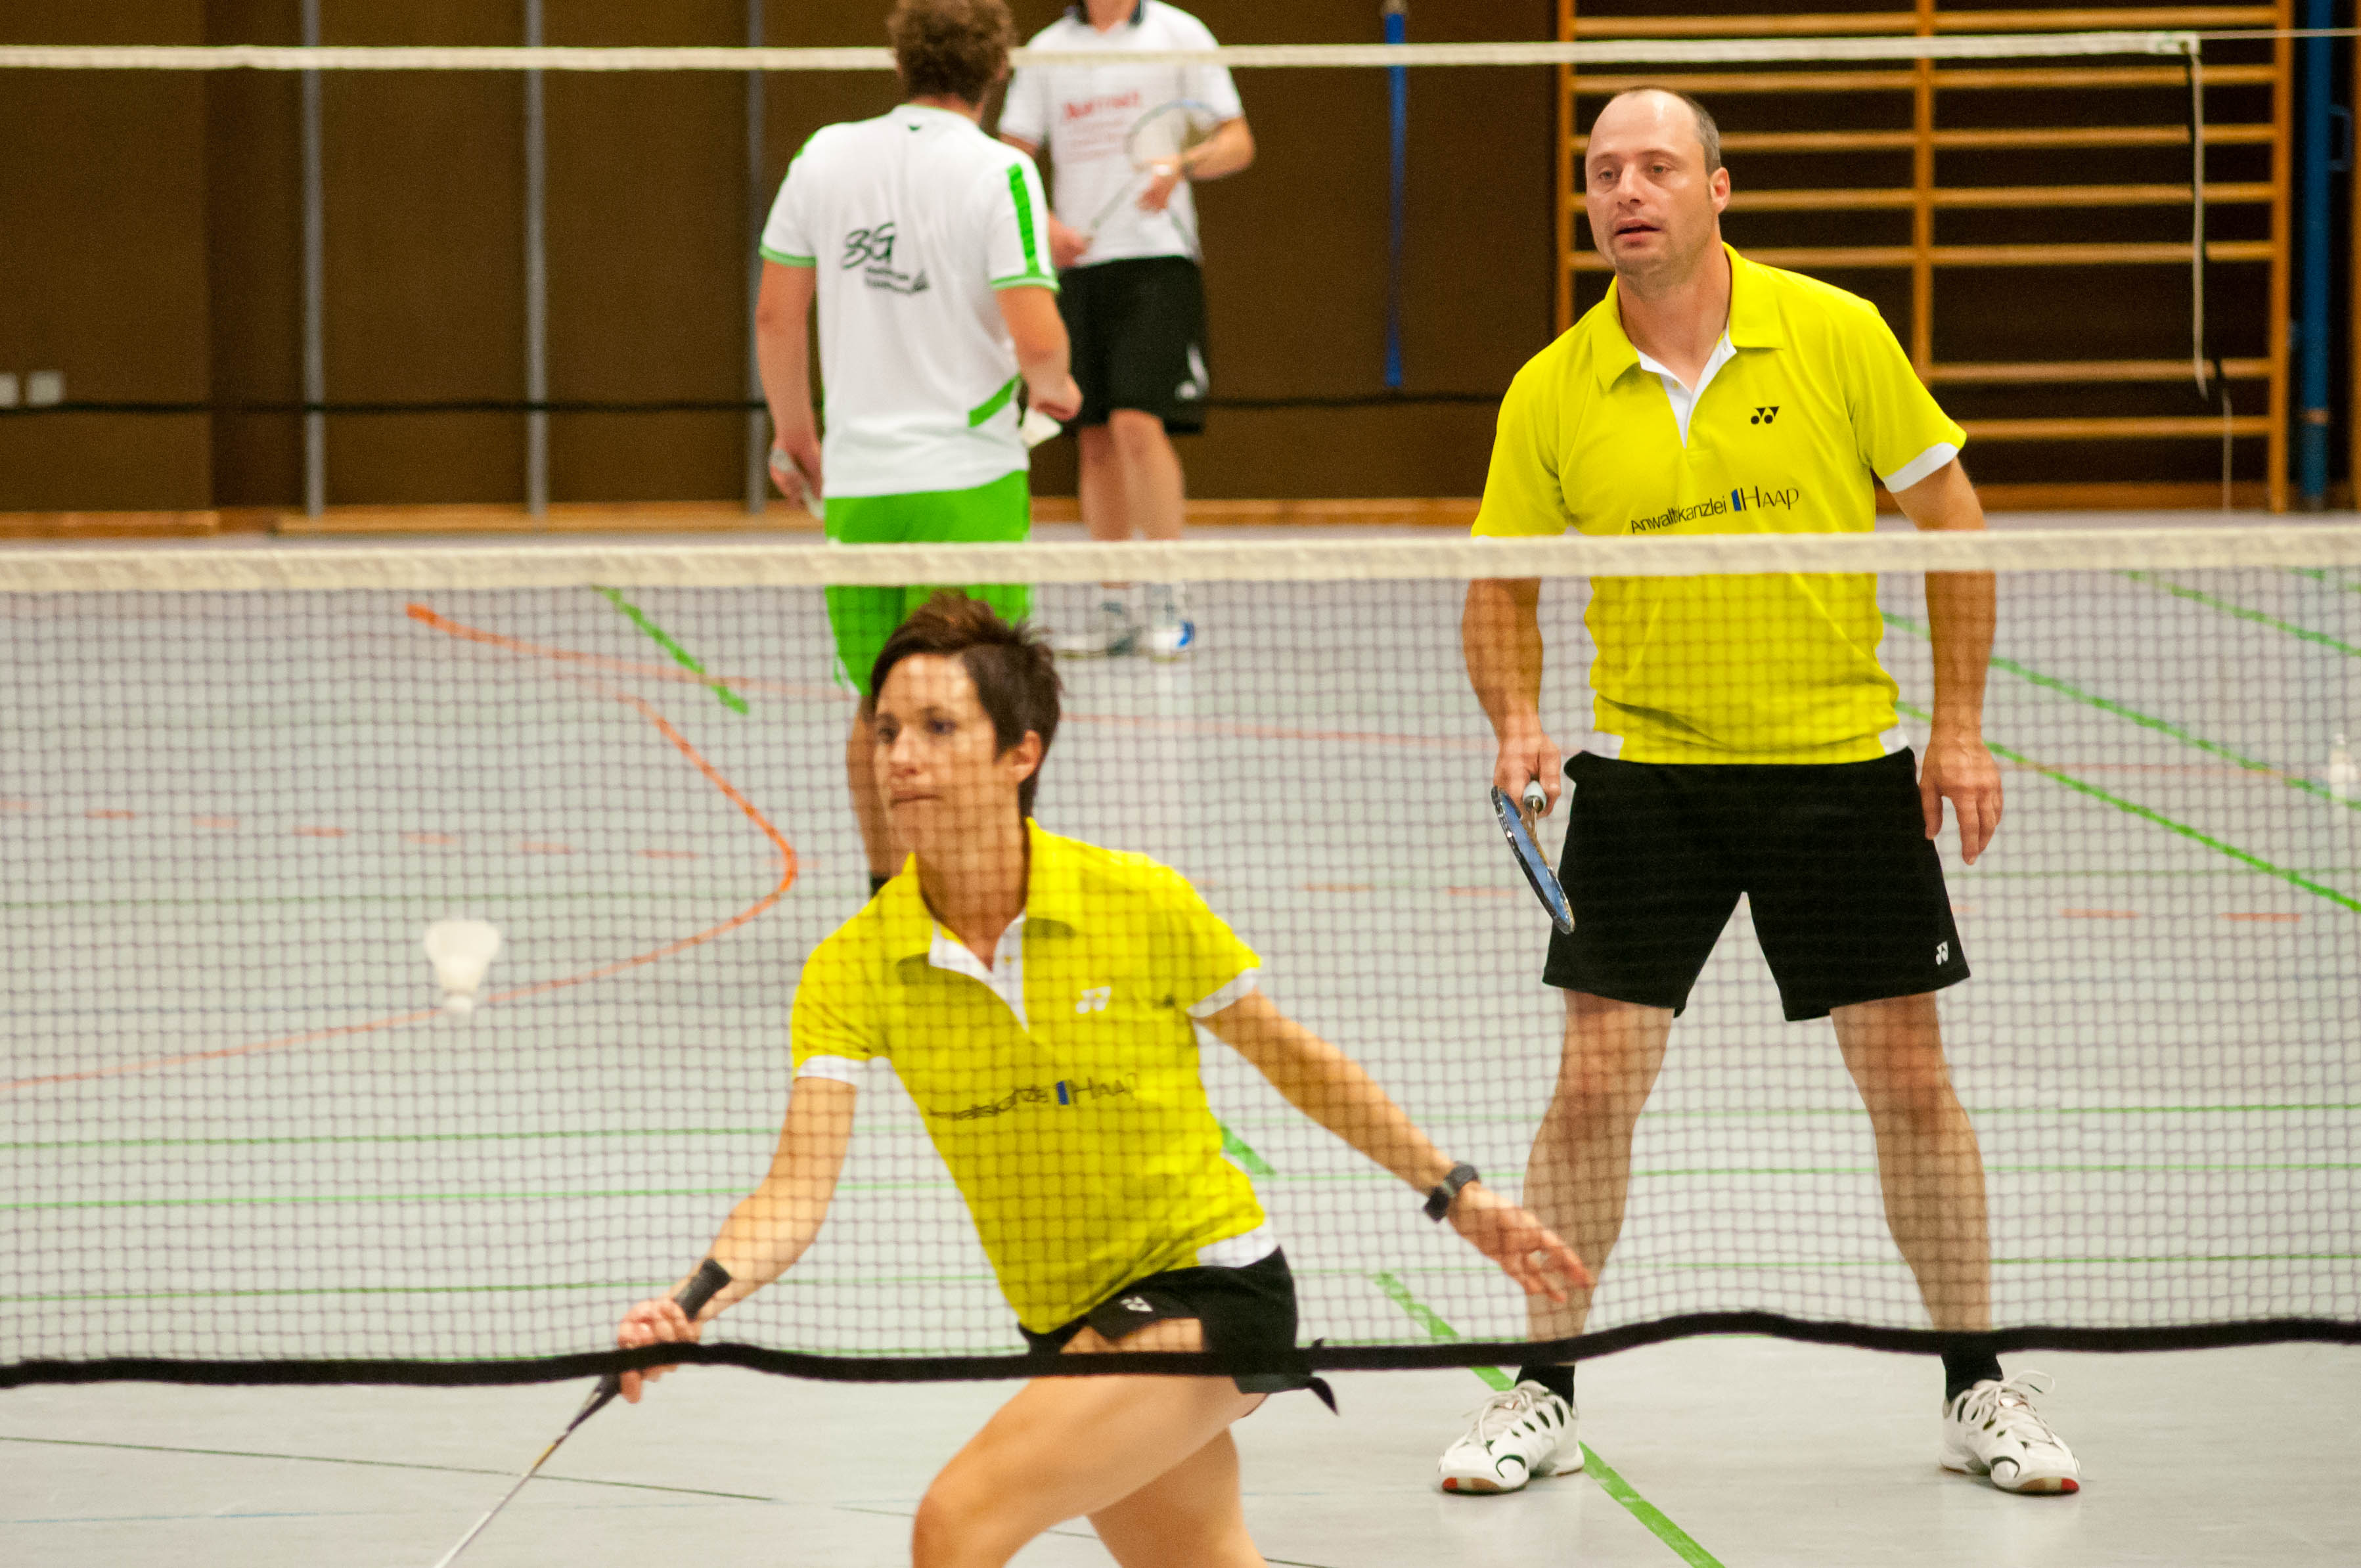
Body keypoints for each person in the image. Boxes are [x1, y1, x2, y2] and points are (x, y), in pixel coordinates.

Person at [617, 593, 1590, 1568]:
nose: (900, 757)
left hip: (1211, 1287)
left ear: (1020, 753)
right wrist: (692, 1299)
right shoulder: (853, 966)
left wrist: (1456, 1191)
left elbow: (1295, 1060)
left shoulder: (1135, 899)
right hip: (1067, 1318)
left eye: (938, 727)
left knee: (955, 1522)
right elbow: (793, 1191)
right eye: (887, 731)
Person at [1440, 87, 2081, 1496]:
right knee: (1592, 1085)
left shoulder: (1835, 333)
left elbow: (1953, 527)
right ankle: (1541, 1388)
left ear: (1717, 188)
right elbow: (1499, 583)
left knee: (1907, 1079)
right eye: (1603, 172)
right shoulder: (1553, 384)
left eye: (1655, 167)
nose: (1626, 191)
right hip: (1648, 775)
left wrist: (1958, 727)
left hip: (1837, 768)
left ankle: (1976, 1380)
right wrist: (1517, 717)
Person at [755, 0, 1082, 899]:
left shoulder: (824, 157)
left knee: (882, 707)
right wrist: (1055, 383)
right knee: (975, 704)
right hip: (967, 482)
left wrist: (797, 435)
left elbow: (776, 315)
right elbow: (1038, 338)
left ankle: (889, 901)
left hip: (861, 487)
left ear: (899, 60)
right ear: (999, 69)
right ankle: (974, 898)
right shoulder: (1001, 171)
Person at [1000, 0, 1255, 661]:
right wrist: (1046, 226)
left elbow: (1238, 141)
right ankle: (1114, 606)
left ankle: (1169, 599)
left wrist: (1182, 166)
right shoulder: (1047, 49)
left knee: (1138, 423)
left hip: (1157, 259)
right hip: (1079, 266)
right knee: (1092, 440)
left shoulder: (1180, 32)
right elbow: (1012, 158)